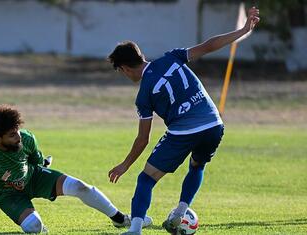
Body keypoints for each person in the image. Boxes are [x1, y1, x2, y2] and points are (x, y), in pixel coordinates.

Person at [107, 7, 260, 235]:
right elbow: (208, 46)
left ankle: (136, 228)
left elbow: (143, 139)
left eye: (121, 72)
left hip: (183, 132)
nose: (125, 75)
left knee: (146, 178)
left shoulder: (143, 95)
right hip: (214, 124)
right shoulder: (171, 57)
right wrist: (243, 30)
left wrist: (125, 164)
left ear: (126, 68)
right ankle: (180, 212)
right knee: (197, 165)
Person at [0, 104, 152, 234]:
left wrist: (42, 164)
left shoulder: (26, 138)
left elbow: (36, 159)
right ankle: (36, 224)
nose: (18, 137)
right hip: (5, 194)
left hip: (33, 177)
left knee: (80, 187)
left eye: (18, 131)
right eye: (12, 135)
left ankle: (120, 219)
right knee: (34, 227)